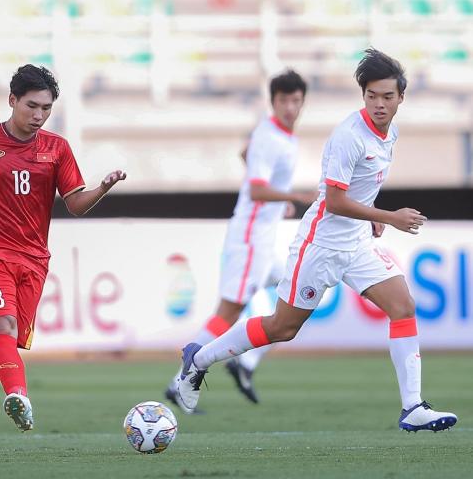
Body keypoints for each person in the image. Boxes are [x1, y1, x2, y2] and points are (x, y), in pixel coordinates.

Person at [176, 48, 458, 432]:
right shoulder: (348, 136)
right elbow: (336, 200)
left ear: (401, 98)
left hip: (357, 242)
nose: (379, 104)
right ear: (363, 96)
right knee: (281, 328)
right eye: (372, 96)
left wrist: (371, 216)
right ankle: (199, 360)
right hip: (321, 245)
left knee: (403, 305)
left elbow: (360, 189)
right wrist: (387, 217)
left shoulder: (390, 131)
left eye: (387, 97)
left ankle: (412, 407)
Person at [0, 65, 126, 452]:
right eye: (32, 106)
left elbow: (76, 204)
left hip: (33, 261)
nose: (39, 115)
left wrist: (102, 186)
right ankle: (20, 395)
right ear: (12, 100)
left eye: (46, 108)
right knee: (3, 327)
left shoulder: (57, 148)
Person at [164, 70, 315, 411]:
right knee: (229, 312)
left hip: (264, 238)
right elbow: (258, 188)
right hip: (250, 239)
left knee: (307, 284)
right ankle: (180, 382)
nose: (290, 107)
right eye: (283, 101)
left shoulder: (280, 135)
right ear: (272, 102)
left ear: (302, 101)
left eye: (296, 100)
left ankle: (244, 363)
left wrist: (281, 200)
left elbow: (245, 156)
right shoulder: (271, 137)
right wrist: (295, 195)